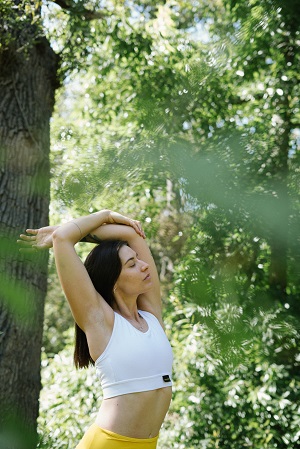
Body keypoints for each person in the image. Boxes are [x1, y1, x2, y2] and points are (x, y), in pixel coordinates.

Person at [18, 210, 173, 449]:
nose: (144, 265)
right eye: (132, 264)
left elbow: (133, 234)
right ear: (113, 281)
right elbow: (63, 239)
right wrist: (106, 215)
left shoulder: (151, 315)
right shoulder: (100, 320)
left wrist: (68, 232)